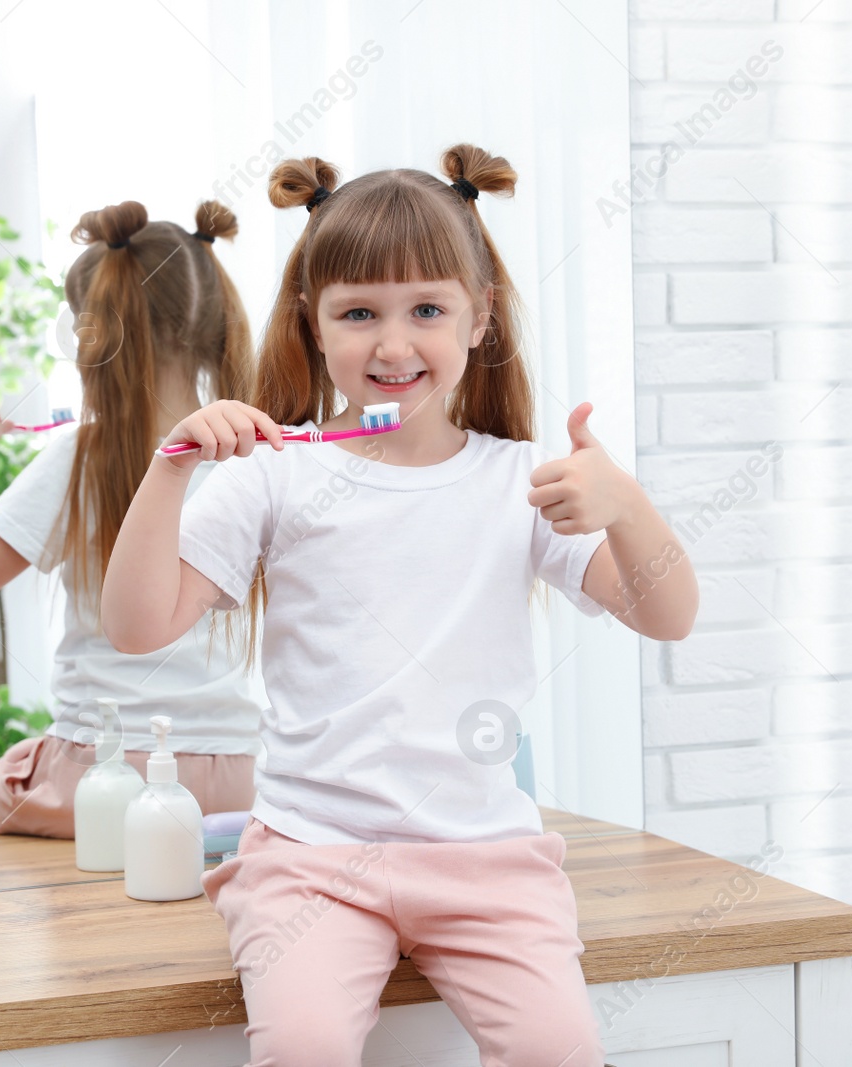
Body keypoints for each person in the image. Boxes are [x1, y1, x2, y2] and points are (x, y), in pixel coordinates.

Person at [101, 145, 699, 1067]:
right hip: (311, 856)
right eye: (359, 313)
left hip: (487, 862)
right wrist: (168, 469)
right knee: (300, 1050)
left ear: (479, 316)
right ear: (313, 322)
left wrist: (626, 506)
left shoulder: (519, 482)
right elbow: (136, 627)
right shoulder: (274, 473)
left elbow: (667, 616)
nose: (392, 343)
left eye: (427, 309)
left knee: (560, 1053)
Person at [0, 199, 264, 838]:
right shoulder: (258, 460)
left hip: (95, 774)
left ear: (93, 337)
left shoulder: (83, 457)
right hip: (234, 781)